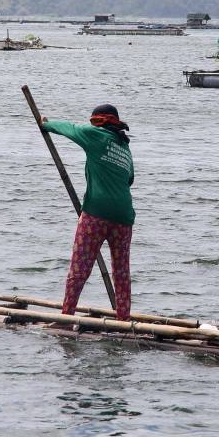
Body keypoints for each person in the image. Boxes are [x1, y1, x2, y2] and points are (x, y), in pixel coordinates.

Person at [41, 104, 135, 321]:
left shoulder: (95, 135)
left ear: (98, 122)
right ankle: (124, 319)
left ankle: (66, 318)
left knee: (79, 268)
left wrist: (45, 123)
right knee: (121, 273)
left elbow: (69, 128)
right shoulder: (124, 146)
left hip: (96, 213)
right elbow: (129, 179)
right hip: (124, 217)